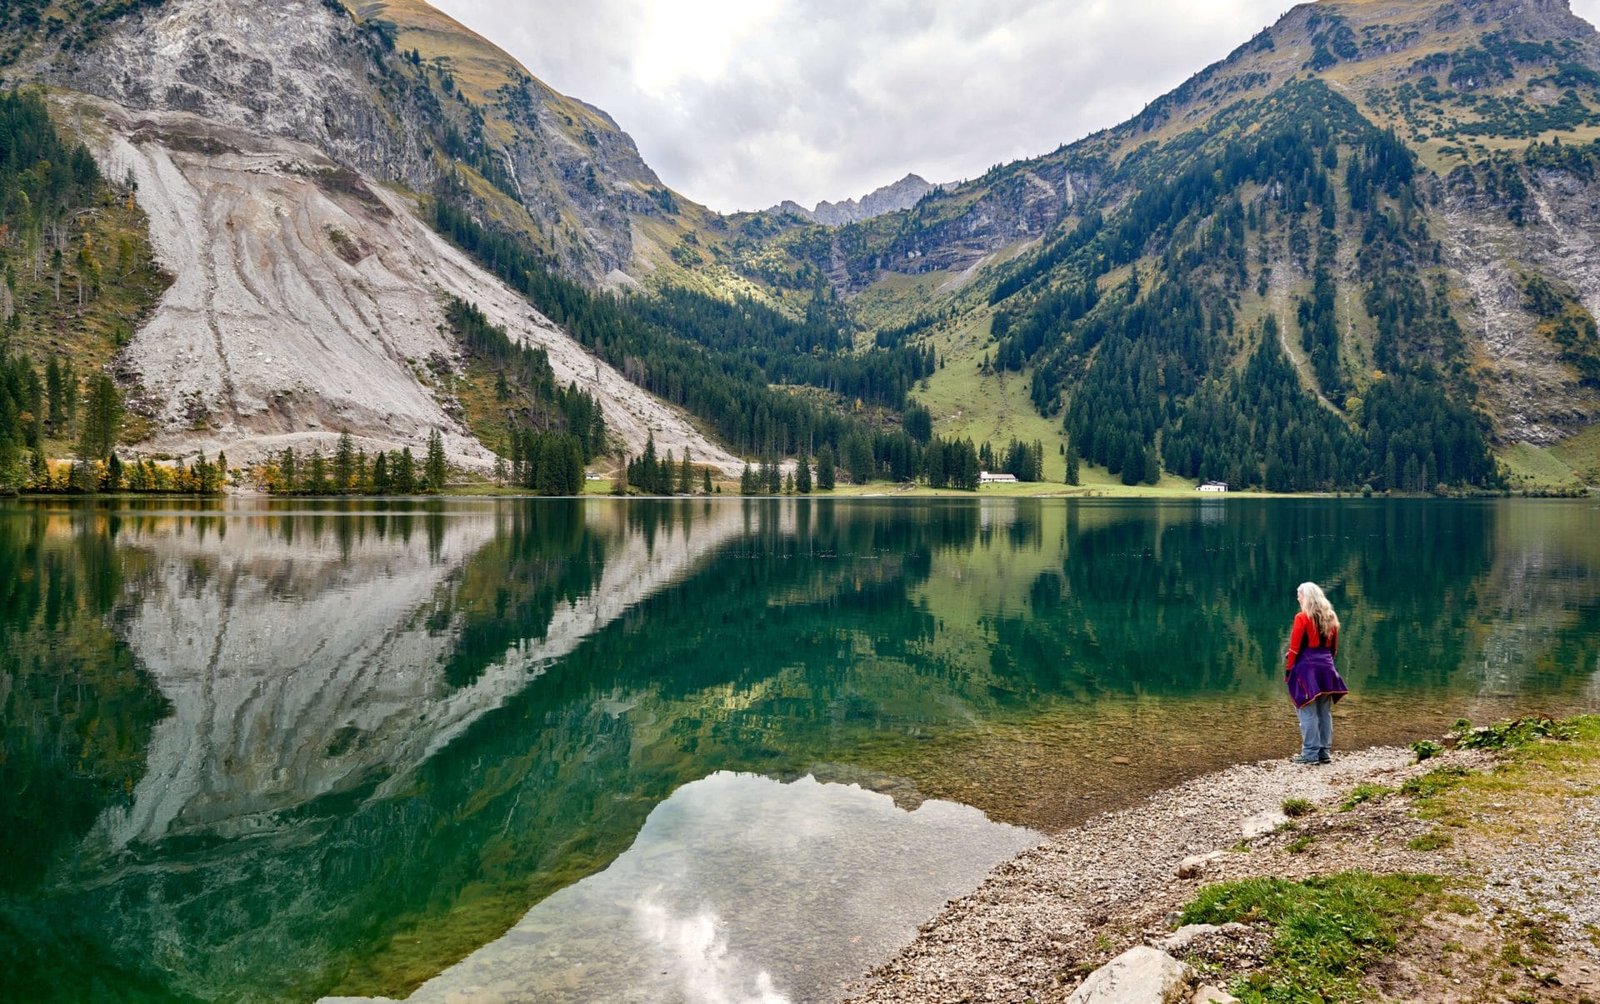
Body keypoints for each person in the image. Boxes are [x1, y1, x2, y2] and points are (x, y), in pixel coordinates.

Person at [1284, 581, 1348, 764]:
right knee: (1324, 711)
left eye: (1299, 594)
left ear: (1307, 597)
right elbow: (1334, 650)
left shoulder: (1301, 618)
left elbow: (1295, 649)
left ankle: (1309, 754)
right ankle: (1324, 752)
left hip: (1307, 669)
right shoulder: (1331, 617)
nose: (1297, 597)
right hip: (1327, 668)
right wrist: (1325, 664)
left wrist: (1289, 671)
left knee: (1307, 711)